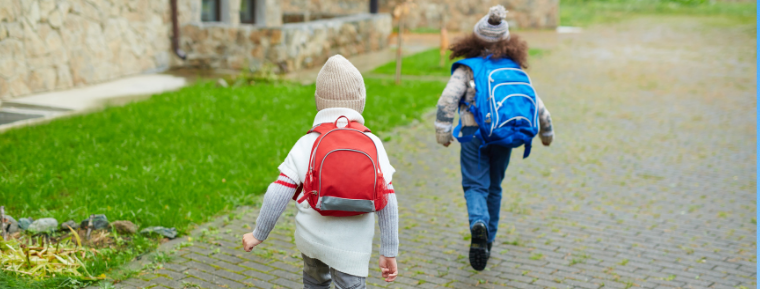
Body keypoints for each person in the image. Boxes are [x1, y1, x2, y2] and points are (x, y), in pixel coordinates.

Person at [242, 55, 399, 288]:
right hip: (352, 247)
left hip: (312, 240)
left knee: (315, 283)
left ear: (318, 101)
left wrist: (259, 234)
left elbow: (279, 191)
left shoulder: (307, 142)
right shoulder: (373, 143)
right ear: (360, 101)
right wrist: (389, 251)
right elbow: (388, 200)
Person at [434, 5, 555, 271]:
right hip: (505, 136)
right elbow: (536, 102)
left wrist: (443, 131)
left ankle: (479, 223)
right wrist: (546, 131)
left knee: (475, 185)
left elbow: (447, 100)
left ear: (475, 39)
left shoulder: (468, 69)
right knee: (495, 187)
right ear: (506, 40)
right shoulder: (513, 68)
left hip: (472, 135)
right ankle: (488, 240)